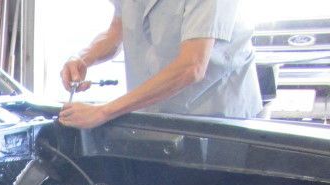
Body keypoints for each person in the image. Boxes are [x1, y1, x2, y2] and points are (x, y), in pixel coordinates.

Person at [59, 0, 262, 130]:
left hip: (216, 115)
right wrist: (82, 58)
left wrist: (103, 111)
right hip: (159, 112)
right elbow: (118, 29)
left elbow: (192, 66)